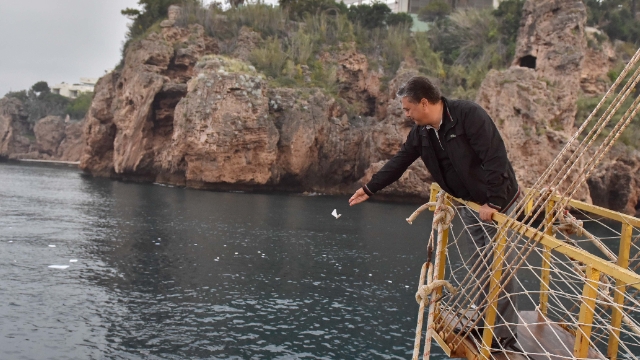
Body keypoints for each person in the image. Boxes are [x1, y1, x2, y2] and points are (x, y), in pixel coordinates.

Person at [348, 76, 521, 349]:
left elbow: (495, 158)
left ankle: (504, 335)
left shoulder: (468, 116)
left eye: (408, 109)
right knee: (480, 266)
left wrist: (495, 203)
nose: (406, 114)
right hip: (470, 205)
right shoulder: (423, 133)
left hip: (499, 205)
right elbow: (400, 161)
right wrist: (370, 189)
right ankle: (480, 323)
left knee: (501, 268)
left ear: (425, 103)